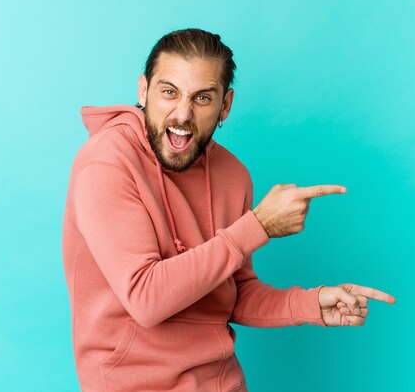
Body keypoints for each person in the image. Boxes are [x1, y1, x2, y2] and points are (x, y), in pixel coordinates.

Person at [61, 28, 396, 392]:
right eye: (169, 92)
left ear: (225, 106)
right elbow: (146, 299)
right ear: (144, 90)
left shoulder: (233, 176)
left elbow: (232, 292)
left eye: (202, 98)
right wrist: (260, 225)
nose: (182, 114)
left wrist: (311, 303)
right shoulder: (106, 164)